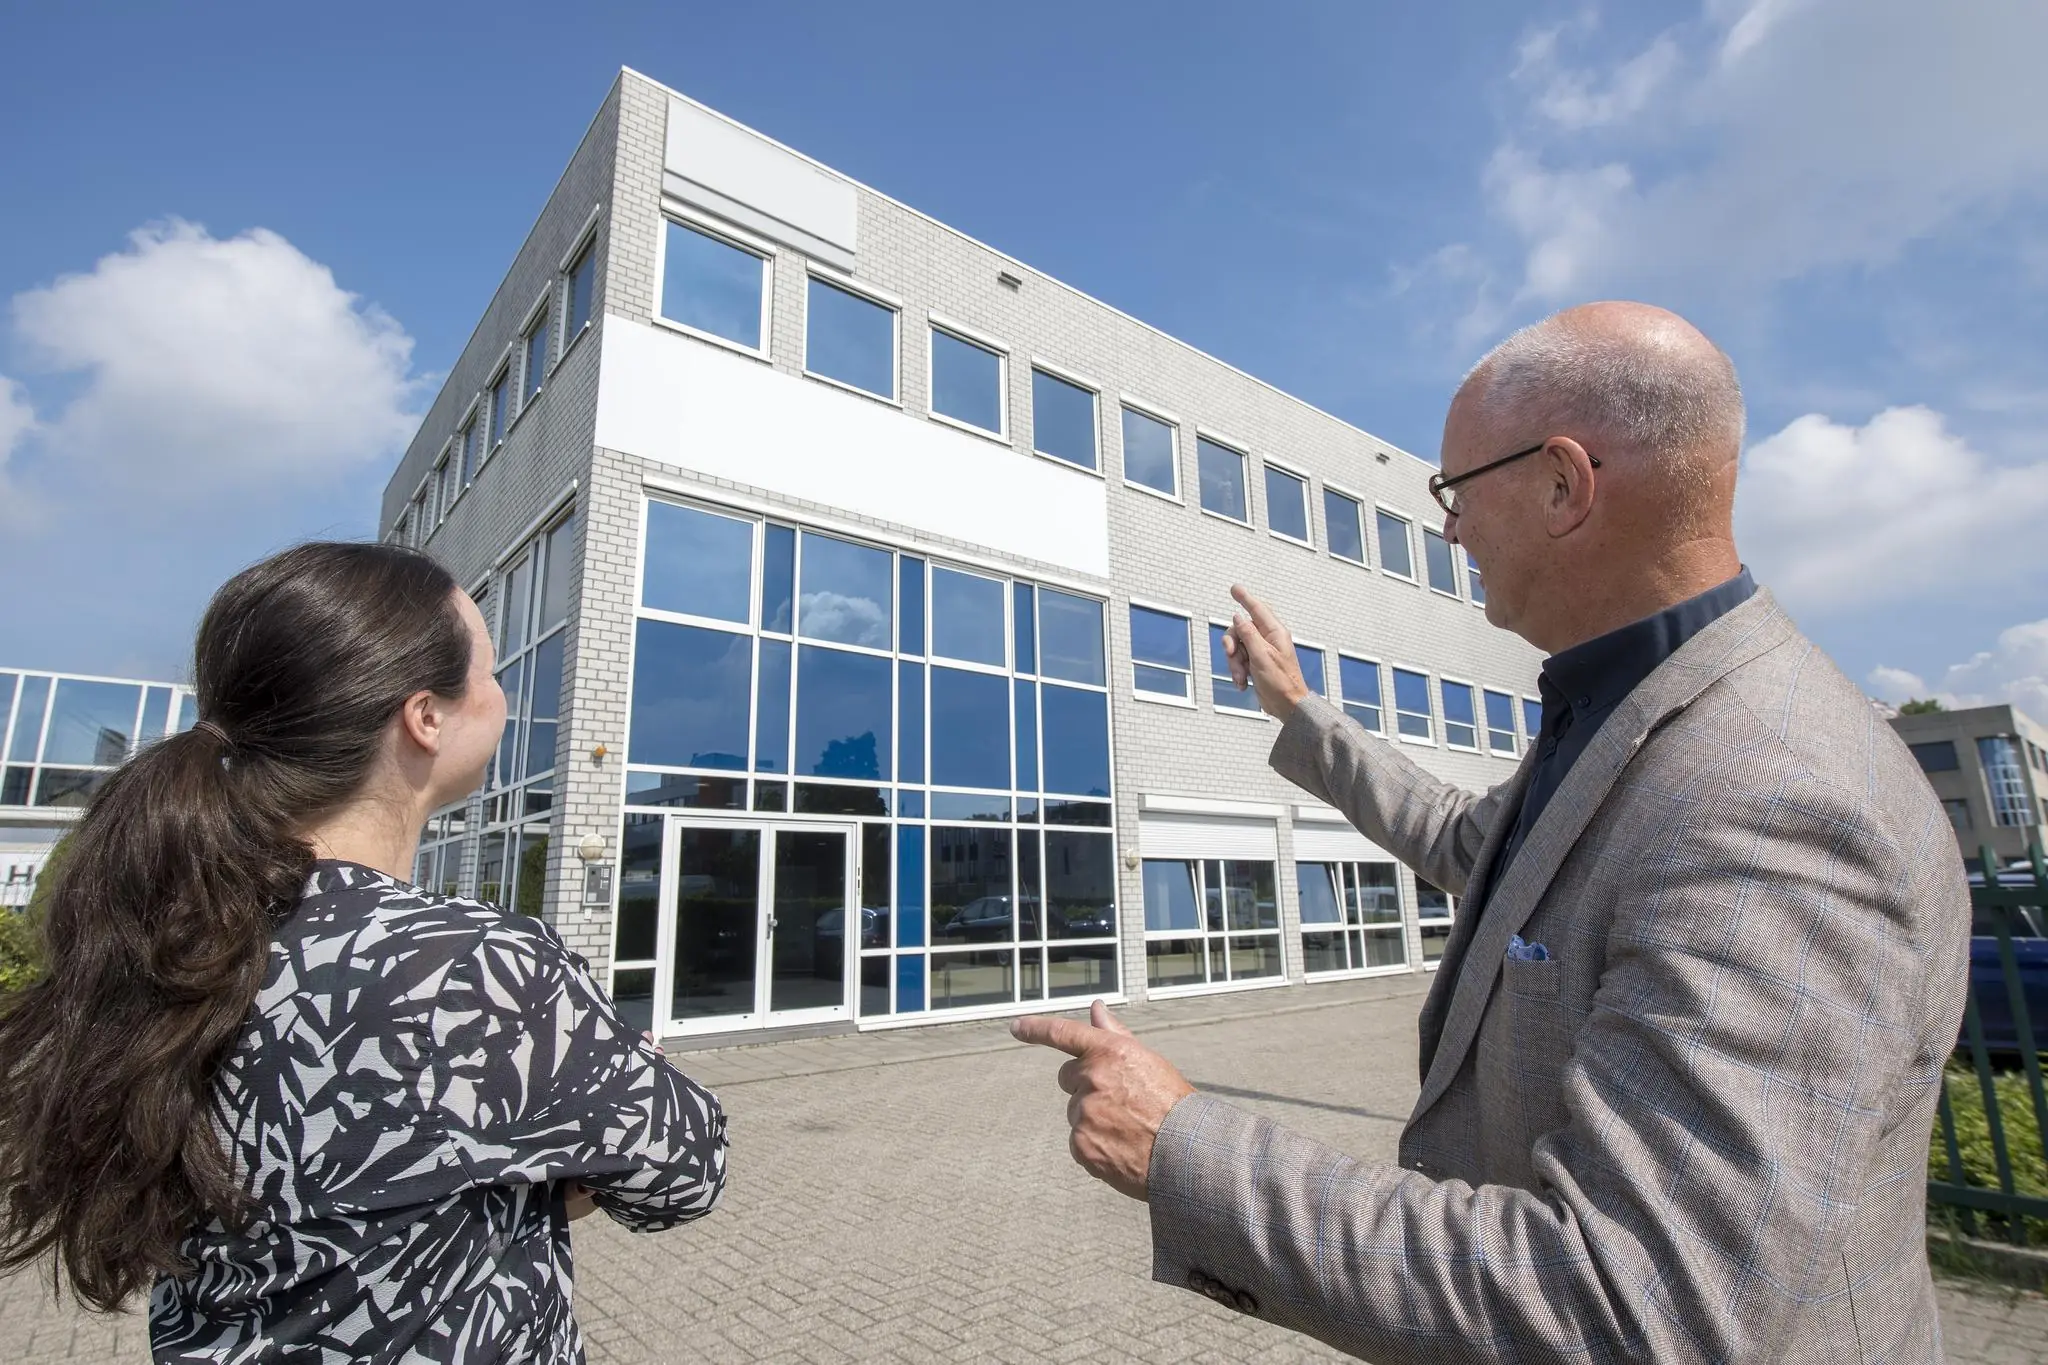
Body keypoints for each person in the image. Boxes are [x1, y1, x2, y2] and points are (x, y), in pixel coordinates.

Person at [1014, 302, 1969, 1362]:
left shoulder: (1767, 797)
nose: (1449, 530)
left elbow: (1635, 1307)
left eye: (1454, 493)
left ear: (1562, 483)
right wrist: (1297, 711)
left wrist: (1184, 1149)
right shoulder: (1626, 718)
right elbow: (1474, 851)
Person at [0, 542, 727, 1363]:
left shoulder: (170, 935)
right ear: (425, 716)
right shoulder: (469, 967)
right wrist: (554, 1163)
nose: (503, 693)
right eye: (488, 670)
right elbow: (684, 1170)